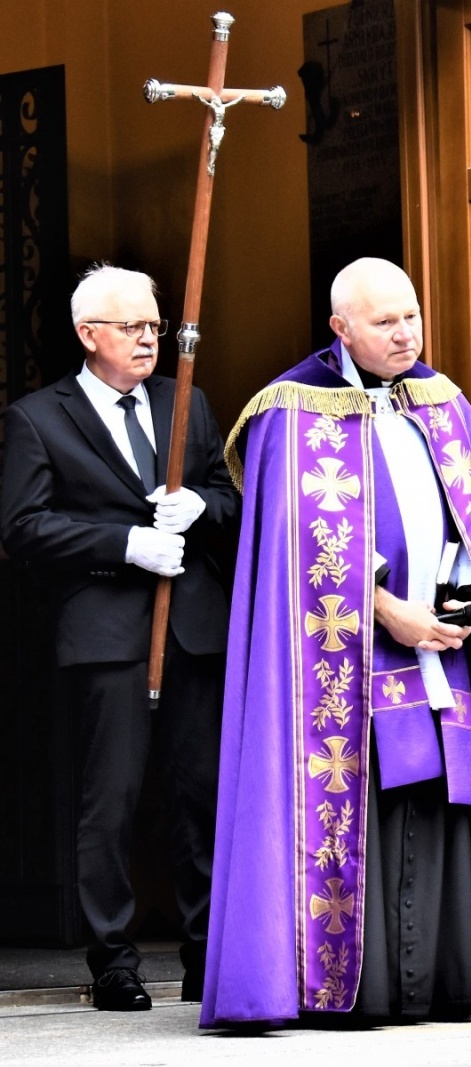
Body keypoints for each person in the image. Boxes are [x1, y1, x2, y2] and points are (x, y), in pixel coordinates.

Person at [202, 257, 471, 1027]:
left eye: (411, 316)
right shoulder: (291, 411)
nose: (404, 333)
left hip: (442, 652)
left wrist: (464, 597)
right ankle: (355, 989)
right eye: (384, 321)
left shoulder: (444, 404)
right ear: (340, 328)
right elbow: (295, 551)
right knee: (367, 808)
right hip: (348, 661)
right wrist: (385, 608)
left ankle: (441, 983)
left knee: (439, 804)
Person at [0, 265, 238, 1011]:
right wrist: (125, 543)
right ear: (87, 333)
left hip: (192, 629)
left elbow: (230, 495)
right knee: (112, 800)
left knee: (201, 796)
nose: (147, 339)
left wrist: (201, 507)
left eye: (154, 326)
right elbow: (23, 527)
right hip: (107, 636)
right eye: (131, 326)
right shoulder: (38, 418)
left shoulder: (186, 400)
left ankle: (207, 955)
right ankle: (113, 960)